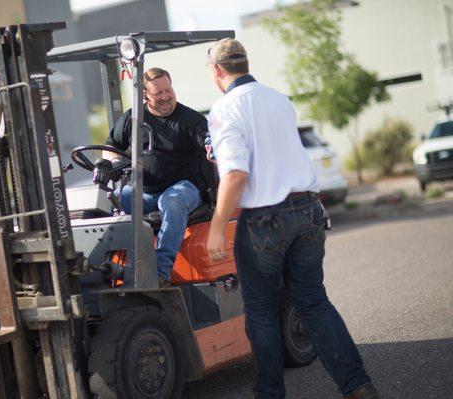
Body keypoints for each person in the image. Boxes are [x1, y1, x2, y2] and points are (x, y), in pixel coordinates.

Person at [204, 38, 379, 399]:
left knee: (263, 315)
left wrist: (217, 227)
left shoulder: (223, 111)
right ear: (246, 63)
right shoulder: (279, 99)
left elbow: (236, 175)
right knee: (314, 302)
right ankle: (358, 386)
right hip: (307, 210)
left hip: (264, 221)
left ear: (216, 70)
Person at [103, 67, 211, 288]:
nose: (165, 96)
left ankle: (160, 272)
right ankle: (111, 268)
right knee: (112, 199)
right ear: (145, 95)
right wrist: (114, 162)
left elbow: (207, 139)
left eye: (168, 90)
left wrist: (213, 145)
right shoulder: (133, 119)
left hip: (184, 187)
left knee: (171, 201)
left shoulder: (190, 119)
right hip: (145, 191)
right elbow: (110, 146)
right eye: (158, 92)